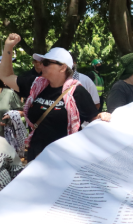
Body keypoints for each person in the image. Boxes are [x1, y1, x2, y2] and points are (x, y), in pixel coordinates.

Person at [0, 33, 110, 161]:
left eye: (46, 63)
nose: (41, 65)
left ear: (63, 67)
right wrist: (8, 47)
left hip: (63, 159)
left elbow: (94, 121)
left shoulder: (77, 92)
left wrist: (102, 117)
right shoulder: (35, 85)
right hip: (36, 156)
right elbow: (6, 77)